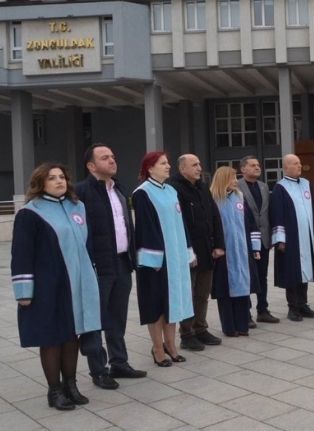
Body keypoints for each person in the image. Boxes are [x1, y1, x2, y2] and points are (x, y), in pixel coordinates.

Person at [12, 163, 101, 410]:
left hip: (76, 283)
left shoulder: (77, 207)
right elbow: (21, 254)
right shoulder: (30, 213)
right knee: (52, 337)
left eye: (62, 177)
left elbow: (88, 246)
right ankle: (55, 391)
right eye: (52, 178)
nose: (59, 181)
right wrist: (23, 292)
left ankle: (71, 385)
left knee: (72, 335)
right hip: (47, 286)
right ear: (41, 183)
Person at [76, 145, 146, 391]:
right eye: (105, 158)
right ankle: (98, 369)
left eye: (113, 157)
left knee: (118, 316)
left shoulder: (119, 188)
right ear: (91, 166)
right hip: (98, 265)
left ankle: (119, 362)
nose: (112, 160)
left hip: (122, 262)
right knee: (96, 318)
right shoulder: (81, 192)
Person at [133, 151, 195, 367]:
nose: (168, 166)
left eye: (168, 163)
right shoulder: (142, 193)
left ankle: (171, 345)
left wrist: (188, 251)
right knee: (157, 305)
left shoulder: (171, 191)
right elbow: (145, 228)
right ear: (150, 168)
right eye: (163, 163)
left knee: (174, 303)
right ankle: (158, 348)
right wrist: (153, 260)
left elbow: (181, 223)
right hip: (157, 262)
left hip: (176, 258)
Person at [167, 154, 224, 351]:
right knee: (188, 293)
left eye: (199, 164)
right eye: (194, 165)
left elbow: (214, 216)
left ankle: (200, 328)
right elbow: (178, 223)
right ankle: (187, 333)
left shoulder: (202, 187)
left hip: (207, 250)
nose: (199, 168)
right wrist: (187, 251)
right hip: (188, 251)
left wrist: (219, 244)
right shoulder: (174, 189)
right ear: (182, 169)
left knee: (202, 293)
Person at [269, 154, 314, 322]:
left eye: (300, 163)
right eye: (295, 163)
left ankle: (303, 304)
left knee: (306, 270)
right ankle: (292, 307)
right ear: (286, 167)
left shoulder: (306, 184)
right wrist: (280, 239)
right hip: (291, 237)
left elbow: (313, 206)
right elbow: (277, 214)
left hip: (306, 235)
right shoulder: (280, 188)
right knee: (292, 271)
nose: (299, 166)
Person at [210, 167, 261, 337]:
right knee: (226, 290)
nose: (235, 180)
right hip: (224, 252)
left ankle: (242, 324)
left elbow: (251, 223)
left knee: (242, 287)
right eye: (232, 177)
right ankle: (229, 327)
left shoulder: (240, 197)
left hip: (242, 250)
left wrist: (255, 247)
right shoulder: (214, 199)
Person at [237, 156, 280, 325]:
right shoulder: (236, 186)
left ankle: (263, 309)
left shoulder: (264, 186)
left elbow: (266, 212)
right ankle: (245, 314)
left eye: (258, 165)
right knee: (247, 276)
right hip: (245, 240)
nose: (257, 167)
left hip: (263, 239)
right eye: (252, 165)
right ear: (243, 169)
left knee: (262, 276)